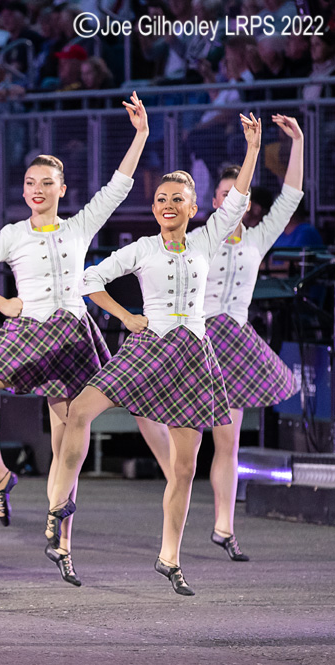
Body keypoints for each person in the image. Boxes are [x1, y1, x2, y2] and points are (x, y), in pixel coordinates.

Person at [44, 113, 262, 596]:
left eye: (176, 199)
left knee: (184, 467)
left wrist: (252, 149)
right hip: (147, 344)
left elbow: (240, 200)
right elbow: (88, 281)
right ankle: (59, 506)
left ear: (194, 206)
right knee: (80, 409)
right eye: (161, 199)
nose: (167, 205)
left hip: (192, 353)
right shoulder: (141, 248)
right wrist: (126, 316)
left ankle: (170, 557)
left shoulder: (208, 238)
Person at [0, 92, 153, 586]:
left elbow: (118, 188)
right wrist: (2, 304)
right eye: (30, 183)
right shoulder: (13, 234)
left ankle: (60, 541)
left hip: (74, 336)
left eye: (46, 183)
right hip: (29, 329)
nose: (37, 189)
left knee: (68, 443)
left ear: (63, 188)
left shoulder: (80, 225)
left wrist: (141, 134)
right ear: (23, 192)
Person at [143, 115, 304, 563]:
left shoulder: (256, 240)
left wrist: (299, 143)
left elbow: (291, 198)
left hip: (235, 342)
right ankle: (177, 478)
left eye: (241, 193)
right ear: (214, 201)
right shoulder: (199, 239)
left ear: (247, 200)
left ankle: (224, 527)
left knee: (228, 440)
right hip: (197, 337)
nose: (234, 199)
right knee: (176, 433)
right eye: (226, 193)